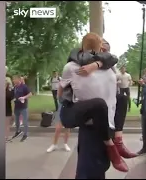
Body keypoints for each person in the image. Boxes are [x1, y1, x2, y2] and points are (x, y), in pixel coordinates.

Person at [58, 33, 128, 172]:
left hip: (99, 124)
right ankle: (113, 144)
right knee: (94, 167)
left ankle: (117, 143)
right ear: (101, 47)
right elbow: (113, 62)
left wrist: (97, 64)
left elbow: (60, 92)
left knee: (93, 167)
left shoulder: (72, 66)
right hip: (97, 123)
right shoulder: (111, 69)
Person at [12, 75, 32, 142]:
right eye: (13, 79)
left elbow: (30, 94)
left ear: (18, 80)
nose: (13, 80)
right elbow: (13, 95)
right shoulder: (14, 87)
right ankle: (17, 131)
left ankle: (25, 135)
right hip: (16, 106)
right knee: (17, 121)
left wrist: (24, 97)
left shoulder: (24, 87)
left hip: (23, 107)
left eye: (14, 79)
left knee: (25, 121)